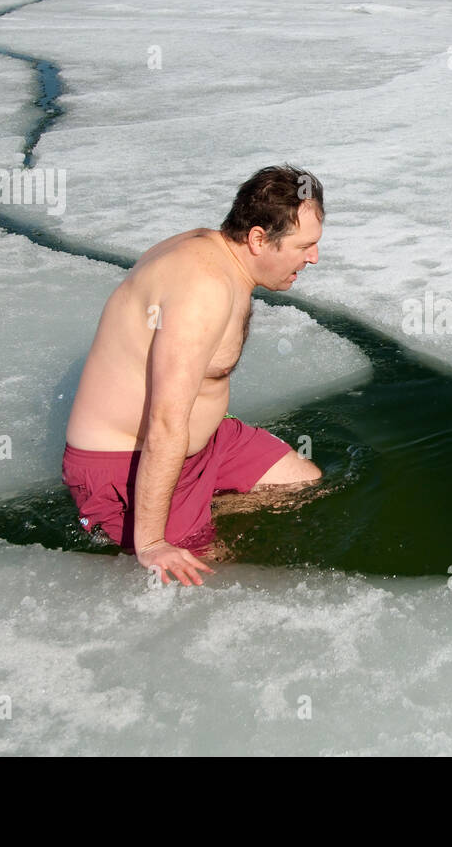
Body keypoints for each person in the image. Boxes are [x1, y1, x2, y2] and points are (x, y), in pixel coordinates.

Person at [62, 164, 324, 586]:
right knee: (211, 576)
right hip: (126, 462)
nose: (314, 257)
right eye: (304, 245)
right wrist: (151, 544)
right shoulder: (203, 287)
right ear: (258, 238)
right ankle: (135, 528)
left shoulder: (216, 249)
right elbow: (166, 420)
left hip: (202, 443)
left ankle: (207, 502)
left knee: (304, 483)